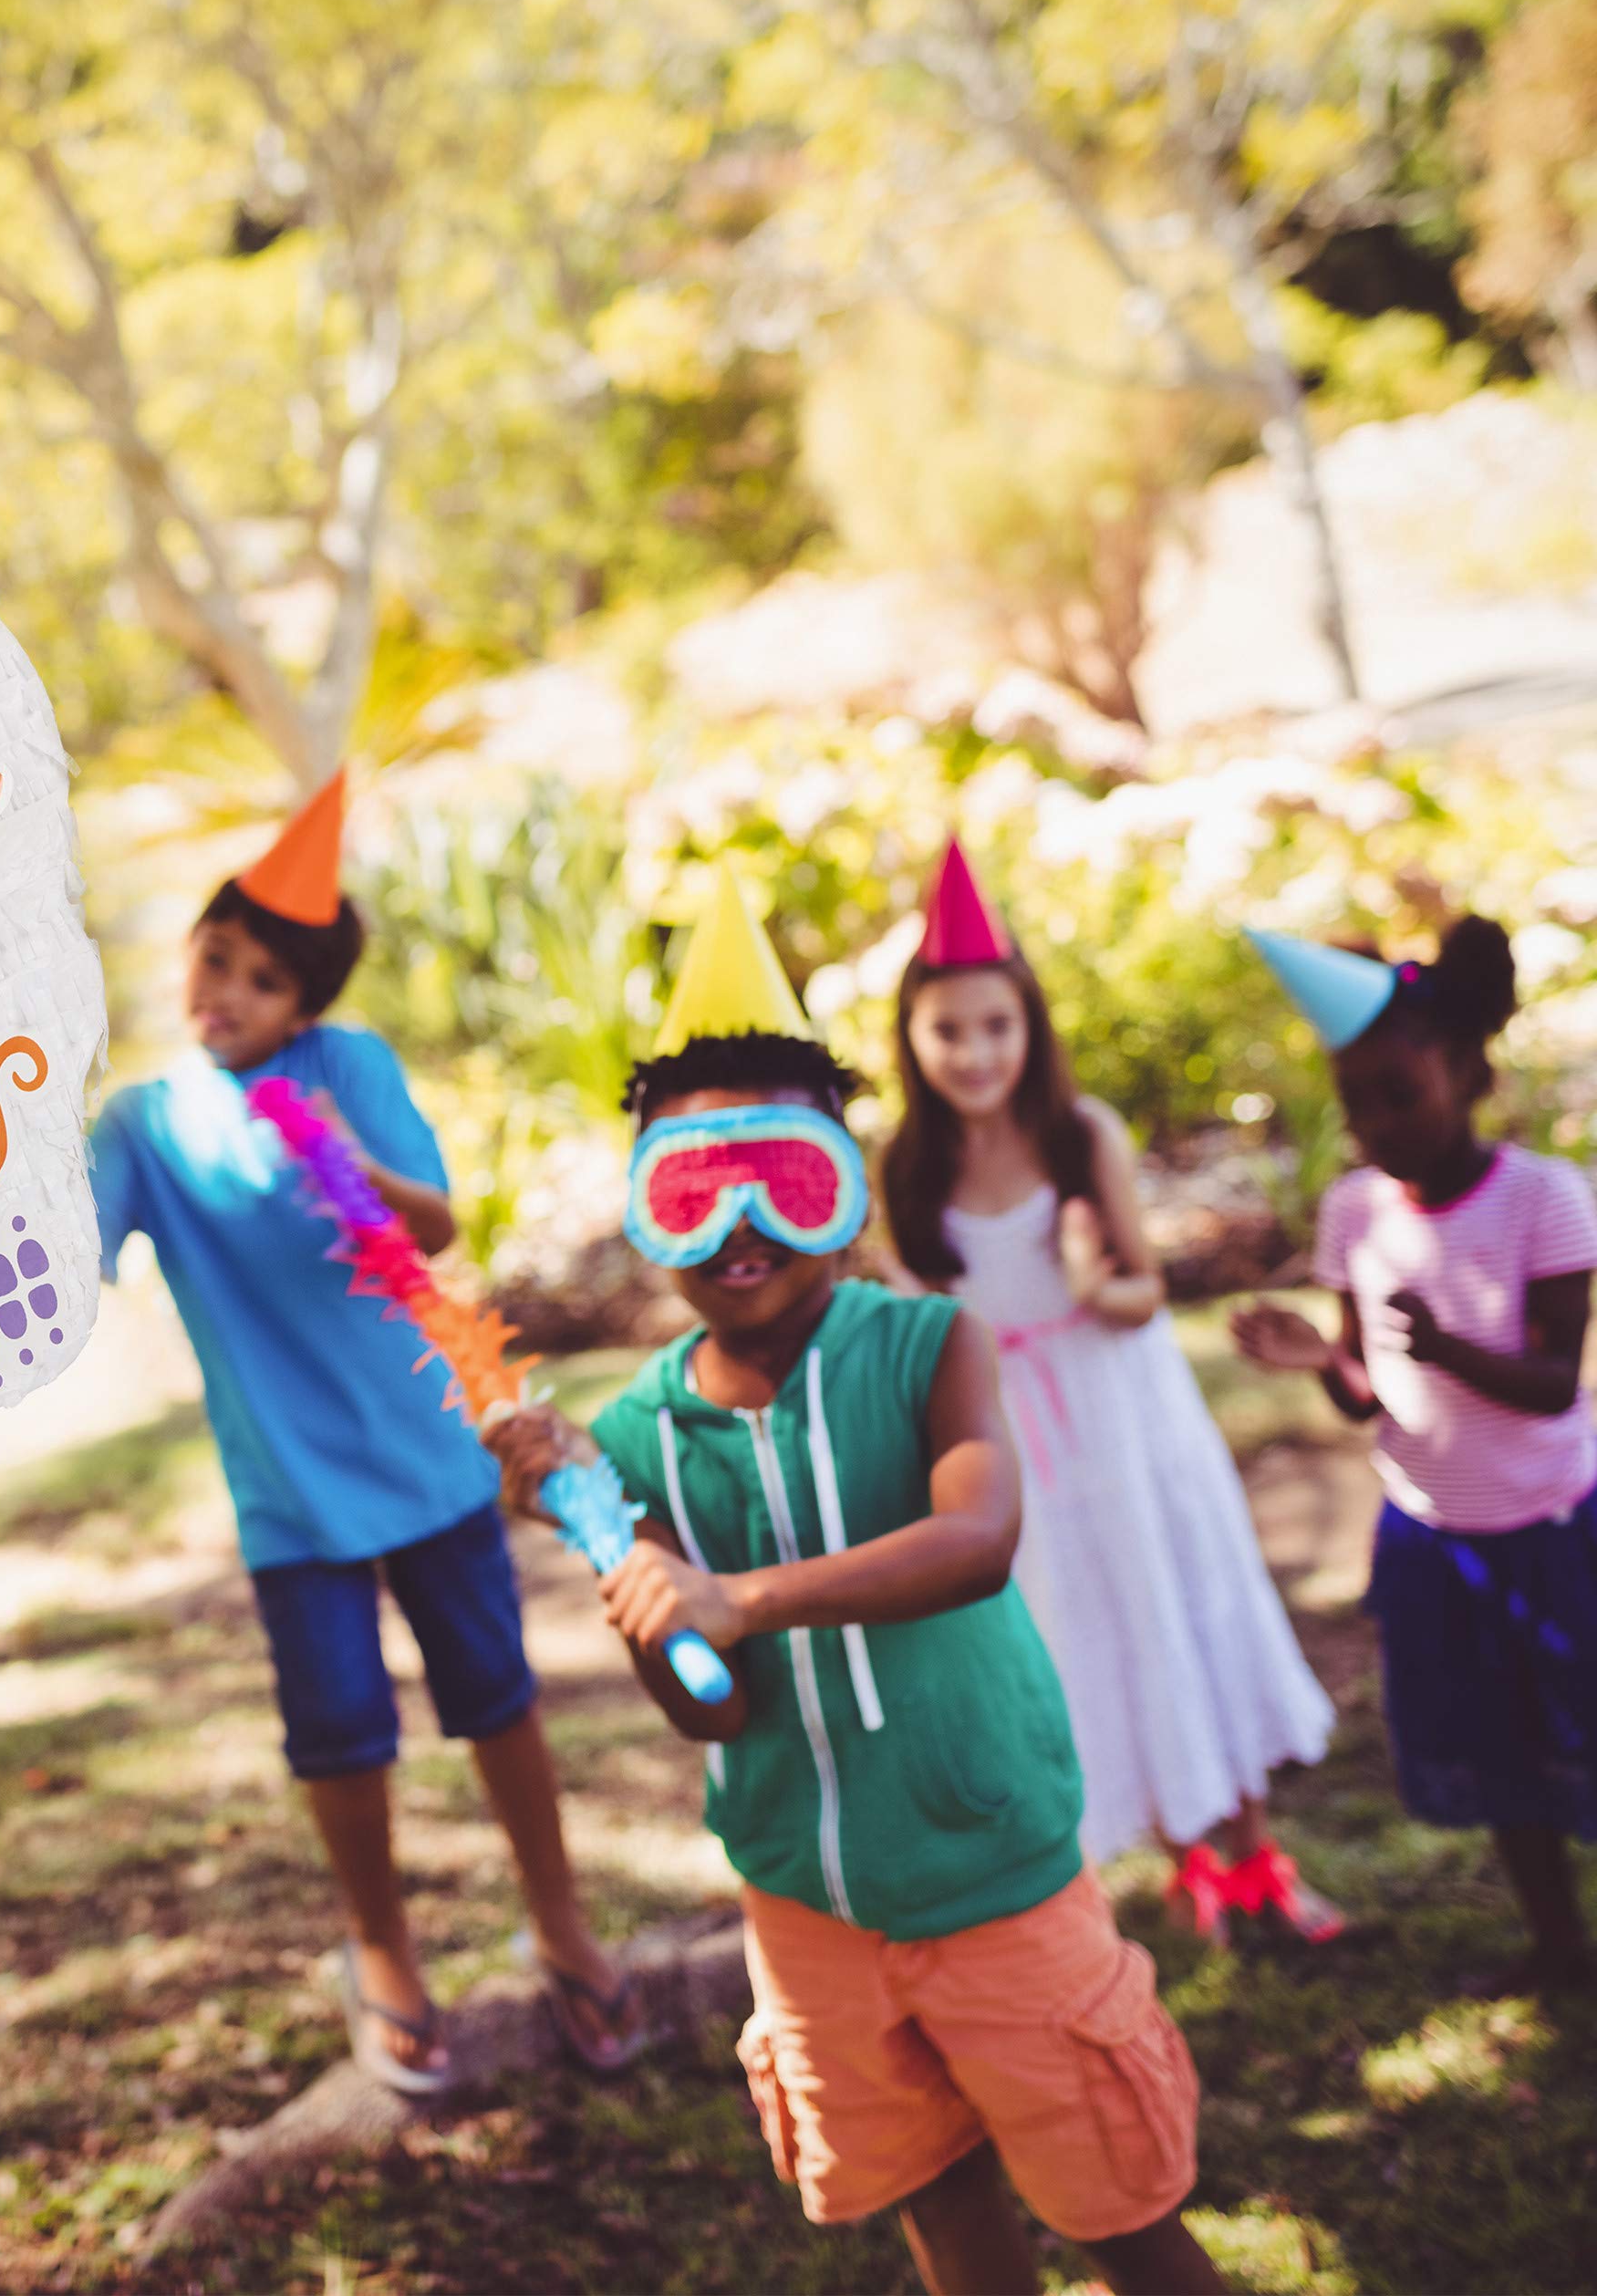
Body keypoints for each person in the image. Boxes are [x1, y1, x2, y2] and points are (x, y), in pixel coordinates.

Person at [485, 865, 1222, 2296]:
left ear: (841, 1184)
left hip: (994, 1876)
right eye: (695, 1185)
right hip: (805, 1906)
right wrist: (617, 1551)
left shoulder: (929, 1344)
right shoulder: (635, 1434)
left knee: (1121, 2212)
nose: (741, 1221)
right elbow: (706, 1707)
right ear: (647, 1208)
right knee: (939, 2208)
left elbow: (978, 1538)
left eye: (787, 1174)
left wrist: (739, 1599)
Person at [86, 769, 638, 2092]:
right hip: (293, 1491)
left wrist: (348, 1157)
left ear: (307, 1005)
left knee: (495, 1699)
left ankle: (558, 1918)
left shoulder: (352, 1067)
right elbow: (72, 1263)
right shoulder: (148, 1125)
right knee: (339, 1729)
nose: (227, 992)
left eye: (264, 981)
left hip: (428, 1455)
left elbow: (431, 1225)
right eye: (216, 959)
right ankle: (378, 1946)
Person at [879, 840, 1340, 1946]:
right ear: (910, 1038)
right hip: (1014, 1437)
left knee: (1171, 1599)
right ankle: (1183, 1853)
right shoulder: (906, 1169)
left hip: (1122, 1418)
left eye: (996, 1024)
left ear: (1029, 1025)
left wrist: (1096, 1278)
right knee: (1083, 1620)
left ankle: (1253, 1852)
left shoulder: (1080, 1137)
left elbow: (1139, 1292)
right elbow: (924, 1324)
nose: (975, 1051)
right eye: (948, 1029)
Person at [1234, 915, 1597, 1995]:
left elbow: (1552, 1386)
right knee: (1498, 1752)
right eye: (1356, 1104)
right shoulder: (1353, 1212)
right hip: (1436, 1540)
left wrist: (1445, 1345)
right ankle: (1557, 1944)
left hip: (1552, 1528)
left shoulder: (1544, 1199)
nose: (1377, 1123)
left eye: (1400, 1091)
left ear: (1467, 1072)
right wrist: (1315, 1361)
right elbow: (1365, 1394)